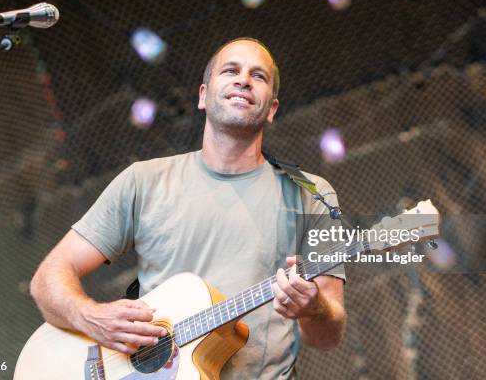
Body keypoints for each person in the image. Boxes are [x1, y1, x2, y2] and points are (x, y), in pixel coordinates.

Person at [30, 37, 346, 379]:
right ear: (202, 95)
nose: (243, 80)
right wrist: (92, 317)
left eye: (259, 76)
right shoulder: (144, 181)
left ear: (271, 109)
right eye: (231, 70)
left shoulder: (311, 194)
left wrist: (313, 308)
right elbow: (48, 278)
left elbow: (327, 337)